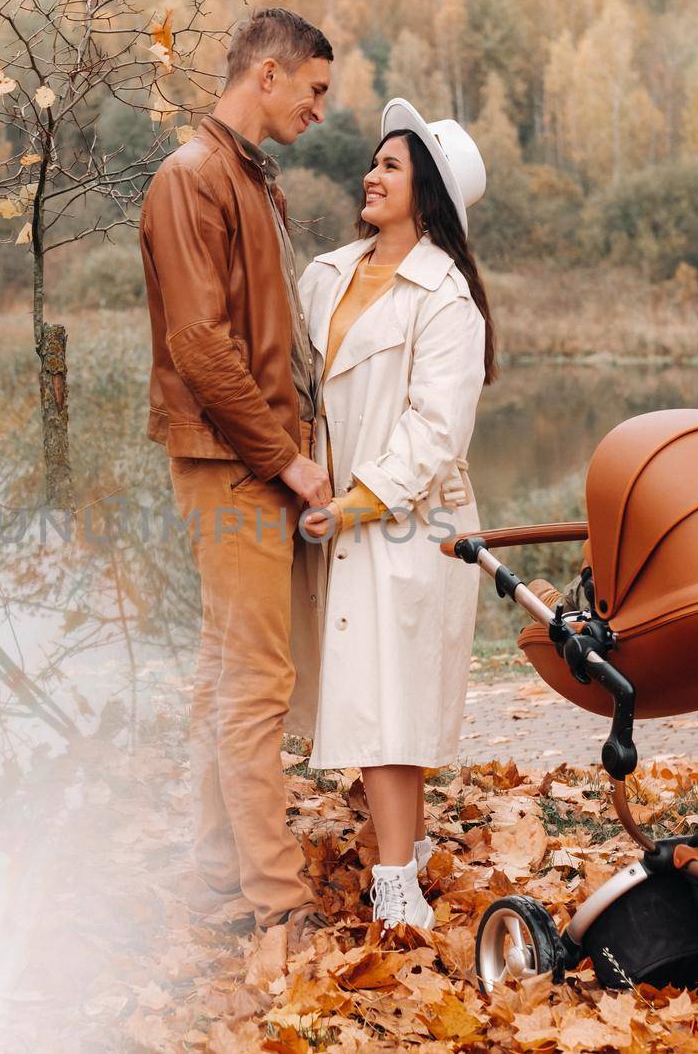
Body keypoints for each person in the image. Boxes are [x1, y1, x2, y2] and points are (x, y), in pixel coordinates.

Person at [138, 8, 336, 941]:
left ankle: (217, 871)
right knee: (256, 680)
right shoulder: (192, 178)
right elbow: (201, 348)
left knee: (225, 673)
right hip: (229, 465)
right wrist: (287, 460)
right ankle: (278, 901)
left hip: (245, 460)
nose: (320, 109)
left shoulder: (249, 178)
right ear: (267, 73)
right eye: (314, 89)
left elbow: (267, 343)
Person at [295, 99, 497, 931]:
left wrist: (358, 500)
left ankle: (395, 880)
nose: (371, 176)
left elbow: (436, 429)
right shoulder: (326, 273)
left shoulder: (446, 300)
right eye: (373, 162)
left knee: (394, 700)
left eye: (391, 167)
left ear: (429, 194)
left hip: (408, 519)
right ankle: (399, 850)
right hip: (330, 510)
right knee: (358, 694)